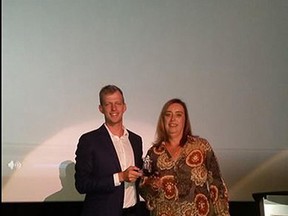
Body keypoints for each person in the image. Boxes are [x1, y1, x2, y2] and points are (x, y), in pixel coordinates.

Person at [139, 98, 230, 216]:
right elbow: (142, 186)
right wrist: (152, 185)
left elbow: (217, 185)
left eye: (178, 115)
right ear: (163, 119)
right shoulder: (154, 153)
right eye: (168, 115)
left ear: (185, 120)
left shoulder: (201, 147)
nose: (173, 119)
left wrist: (223, 213)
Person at [74, 85, 143, 216]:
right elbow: (82, 184)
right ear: (101, 109)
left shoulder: (136, 140)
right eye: (108, 104)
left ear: (124, 107)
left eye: (118, 103)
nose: (114, 108)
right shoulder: (89, 140)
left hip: (133, 211)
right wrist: (120, 177)